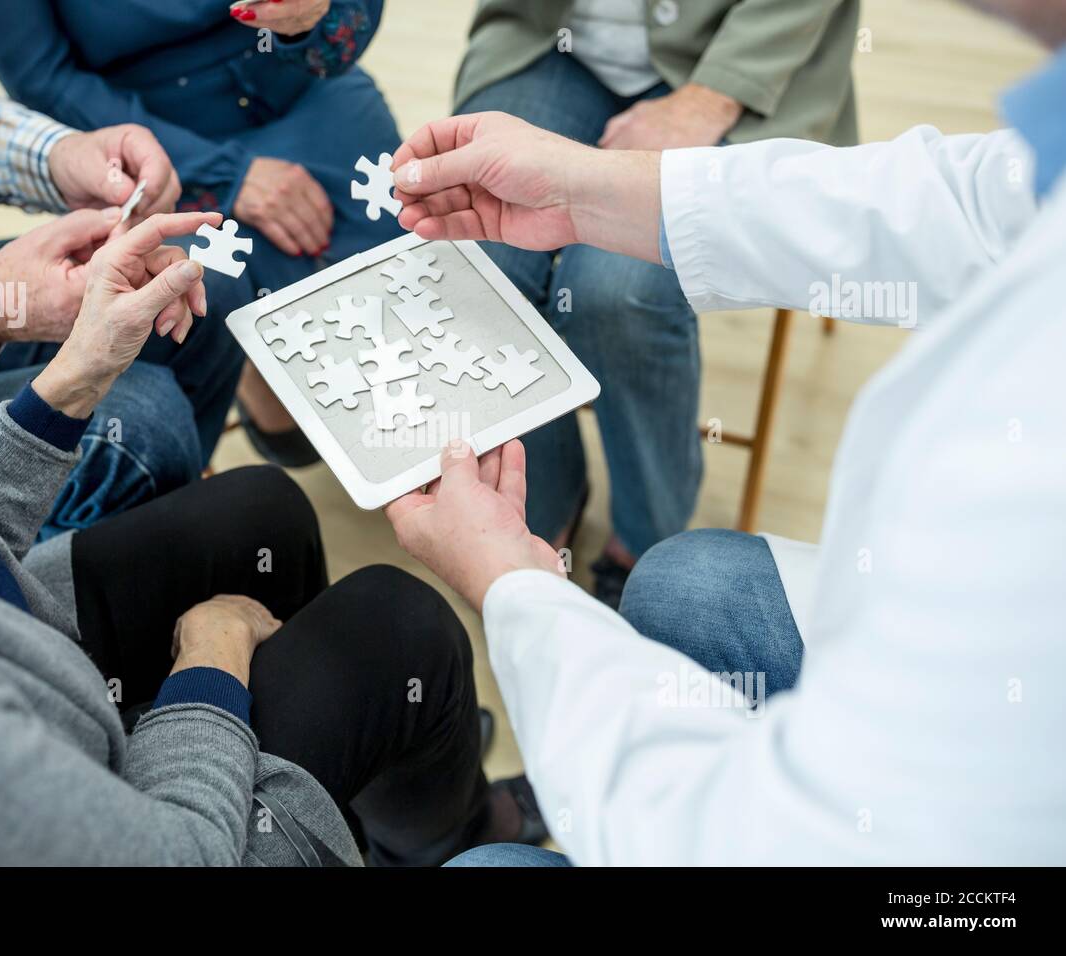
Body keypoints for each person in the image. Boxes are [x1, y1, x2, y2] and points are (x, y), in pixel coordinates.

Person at [0, 0, 515, 866]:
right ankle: (439, 832)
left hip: (8, 635)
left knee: (258, 509)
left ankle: (362, 788)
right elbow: (176, 854)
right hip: (120, 794)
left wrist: (67, 385)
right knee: (400, 624)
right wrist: (211, 666)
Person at [382, 0, 1064, 864]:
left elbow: (751, 838)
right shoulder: (1043, 159)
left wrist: (515, 590)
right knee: (684, 584)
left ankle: (592, 544)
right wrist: (586, 189)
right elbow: (950, 205)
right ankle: (565, 525)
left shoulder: (1026, 465)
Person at [454, 0, 861, 606]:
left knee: (617, 297)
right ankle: (541, 502)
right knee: (481, 273)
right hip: (547, 39)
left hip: (739, 58)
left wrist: (711, 97)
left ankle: (647, 539)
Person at [0, 0, 249, 539]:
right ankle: (39, 588)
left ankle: (142, 542)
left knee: (202, 291)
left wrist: (61, 156)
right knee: (140, 425)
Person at [0, 0, 407, 464]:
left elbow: (353, 14)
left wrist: (313, 18)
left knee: (419, 283)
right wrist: (227, 176)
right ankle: (256, 388)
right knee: (269, 366)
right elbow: (41, 80)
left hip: (308, 88)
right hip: (156, 146)